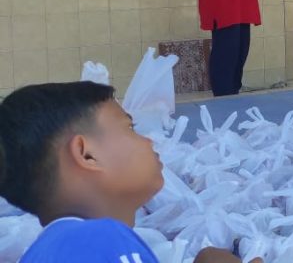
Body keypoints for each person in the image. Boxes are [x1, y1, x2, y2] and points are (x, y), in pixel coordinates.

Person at [0, 81, 259, 263]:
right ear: (87, 154)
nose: (149, 140)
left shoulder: (63, 247)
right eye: (130, 128)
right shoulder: (97, 240)